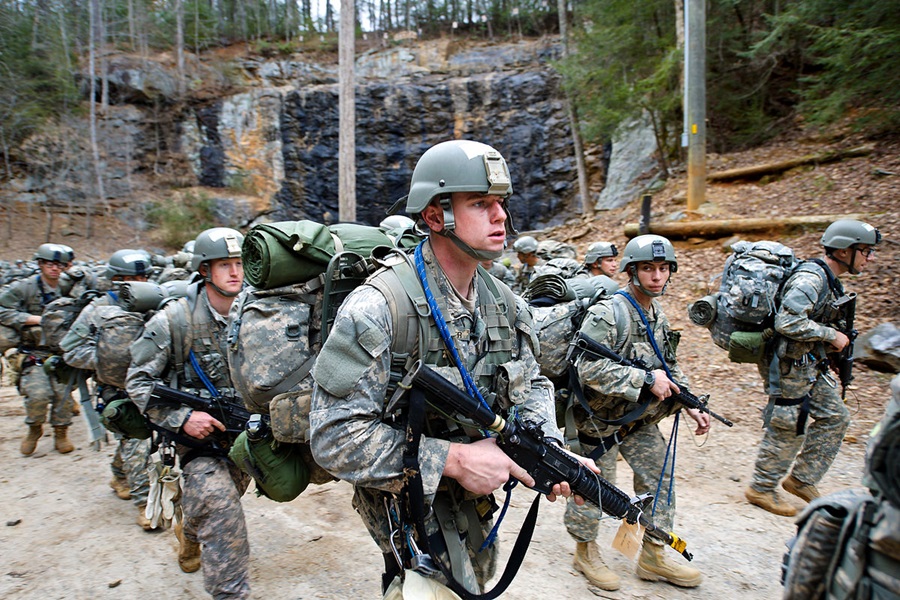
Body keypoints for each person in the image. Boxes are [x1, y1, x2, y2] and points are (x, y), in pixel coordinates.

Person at [310, 140, 591, 596]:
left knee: (478, 576)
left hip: (478, 499)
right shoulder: (379, 307)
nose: (501, 216)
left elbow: (531, 382)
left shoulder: (506, 304)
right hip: (406, 499)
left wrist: (548, 449)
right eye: (481, 204)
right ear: (436, 216)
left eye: (500, 203)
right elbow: (332, 437)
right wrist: (456, 460)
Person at [565, 234, 709, 590]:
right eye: (648, 268)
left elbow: (668, 364)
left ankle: (652, 554)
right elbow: (585, 367)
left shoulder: (654, 313)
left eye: (663, 269)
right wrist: (643, 379)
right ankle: (585, 551)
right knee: (595, 488)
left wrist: (691, 403)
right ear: (632, 271)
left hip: (636, 420)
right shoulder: (609, 312)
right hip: (598, 422)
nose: (657, 276)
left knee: (660, 478)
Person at [126, 227, 251, 598]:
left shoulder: (258, 313)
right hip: (196, 441)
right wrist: (182, 418)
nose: (235, 273)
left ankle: (189, 529)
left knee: (219, 501)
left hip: (245, 436)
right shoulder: (173, 321)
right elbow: (138, 381)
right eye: (224, 265)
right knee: (223, 511)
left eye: (240, 263)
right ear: (203, 271)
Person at [745, 219, 881, 517]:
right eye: (866, 251)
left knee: (836, 417)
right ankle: (761, 487)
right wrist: (831, 335)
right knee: (789, 423)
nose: (870, 258)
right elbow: (787, 322)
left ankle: (801, 479)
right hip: (788, 364)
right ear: (845, 251)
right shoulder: (811, 279)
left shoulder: (829, 279)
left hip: (808, 362)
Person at [61, 249, 157, 530]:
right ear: (116, 280)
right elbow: (71, 349)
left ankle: (119, 473)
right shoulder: (96, 311)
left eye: (142, 276)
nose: (138, 282)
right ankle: (145, 503)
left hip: (153, 386)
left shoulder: (154, 305)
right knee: (137, 441)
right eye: (130, 278)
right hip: (117, 390)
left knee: (143, 441)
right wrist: (106, 360)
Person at [0, 243, 77, 456]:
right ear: (40, 264)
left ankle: (61, 432)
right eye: (50, 264)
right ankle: (34, 429)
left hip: (61, 351)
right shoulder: (25, 288)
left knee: (63, 395)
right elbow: (2, 310)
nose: (55, 269)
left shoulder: (68, 287)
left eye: (59, 265)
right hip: (33, 351)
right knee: (38, 394)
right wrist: (32, 319)